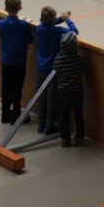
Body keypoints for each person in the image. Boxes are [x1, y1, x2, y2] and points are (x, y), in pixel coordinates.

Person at [35, 7, 77, 135]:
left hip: (40, 69)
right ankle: (49, 125)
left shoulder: (39, 29)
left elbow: (48, 23)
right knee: (52, 99)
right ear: (53, 20)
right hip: (52, 71)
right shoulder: (57, 31)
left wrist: (61, 19)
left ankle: (41, 123)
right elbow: (74, 32)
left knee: (42, 97)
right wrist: (68, 20)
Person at [0, 0, 33, 124]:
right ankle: (16, 114)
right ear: (20, 8)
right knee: (17, 87)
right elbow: (30, 39)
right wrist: (24, 23)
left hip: (5, 60)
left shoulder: (0, 24)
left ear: (5, 8)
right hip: (19, 61)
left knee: (6, 86)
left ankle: (5, 112)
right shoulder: (23, 25)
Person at [54, 30, 85, 147]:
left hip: (63, 92)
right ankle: (80, 138)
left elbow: (56, 69)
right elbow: (83, 68)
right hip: (77, 91)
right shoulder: (79, 58)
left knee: (64, 116)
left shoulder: (58, 58)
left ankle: (65, 139)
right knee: (79, 116)